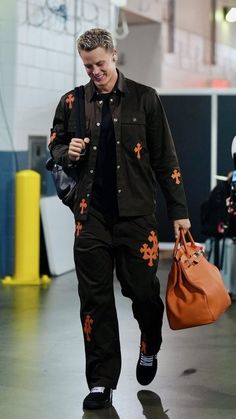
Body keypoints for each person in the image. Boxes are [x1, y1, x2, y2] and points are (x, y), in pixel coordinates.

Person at [49, 28, 191, 410]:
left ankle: (150, 340)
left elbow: (165, 158)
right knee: (94, 301)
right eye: (87, 65)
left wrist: (178, 212)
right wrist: (68, 150)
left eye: (99, 63)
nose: (94, 71)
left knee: (143, 293)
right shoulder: (72, 102)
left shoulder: (145, 99)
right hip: (90, 217)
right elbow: (54, 143)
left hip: (136, 218)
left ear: (114, 54)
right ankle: (101, 382)